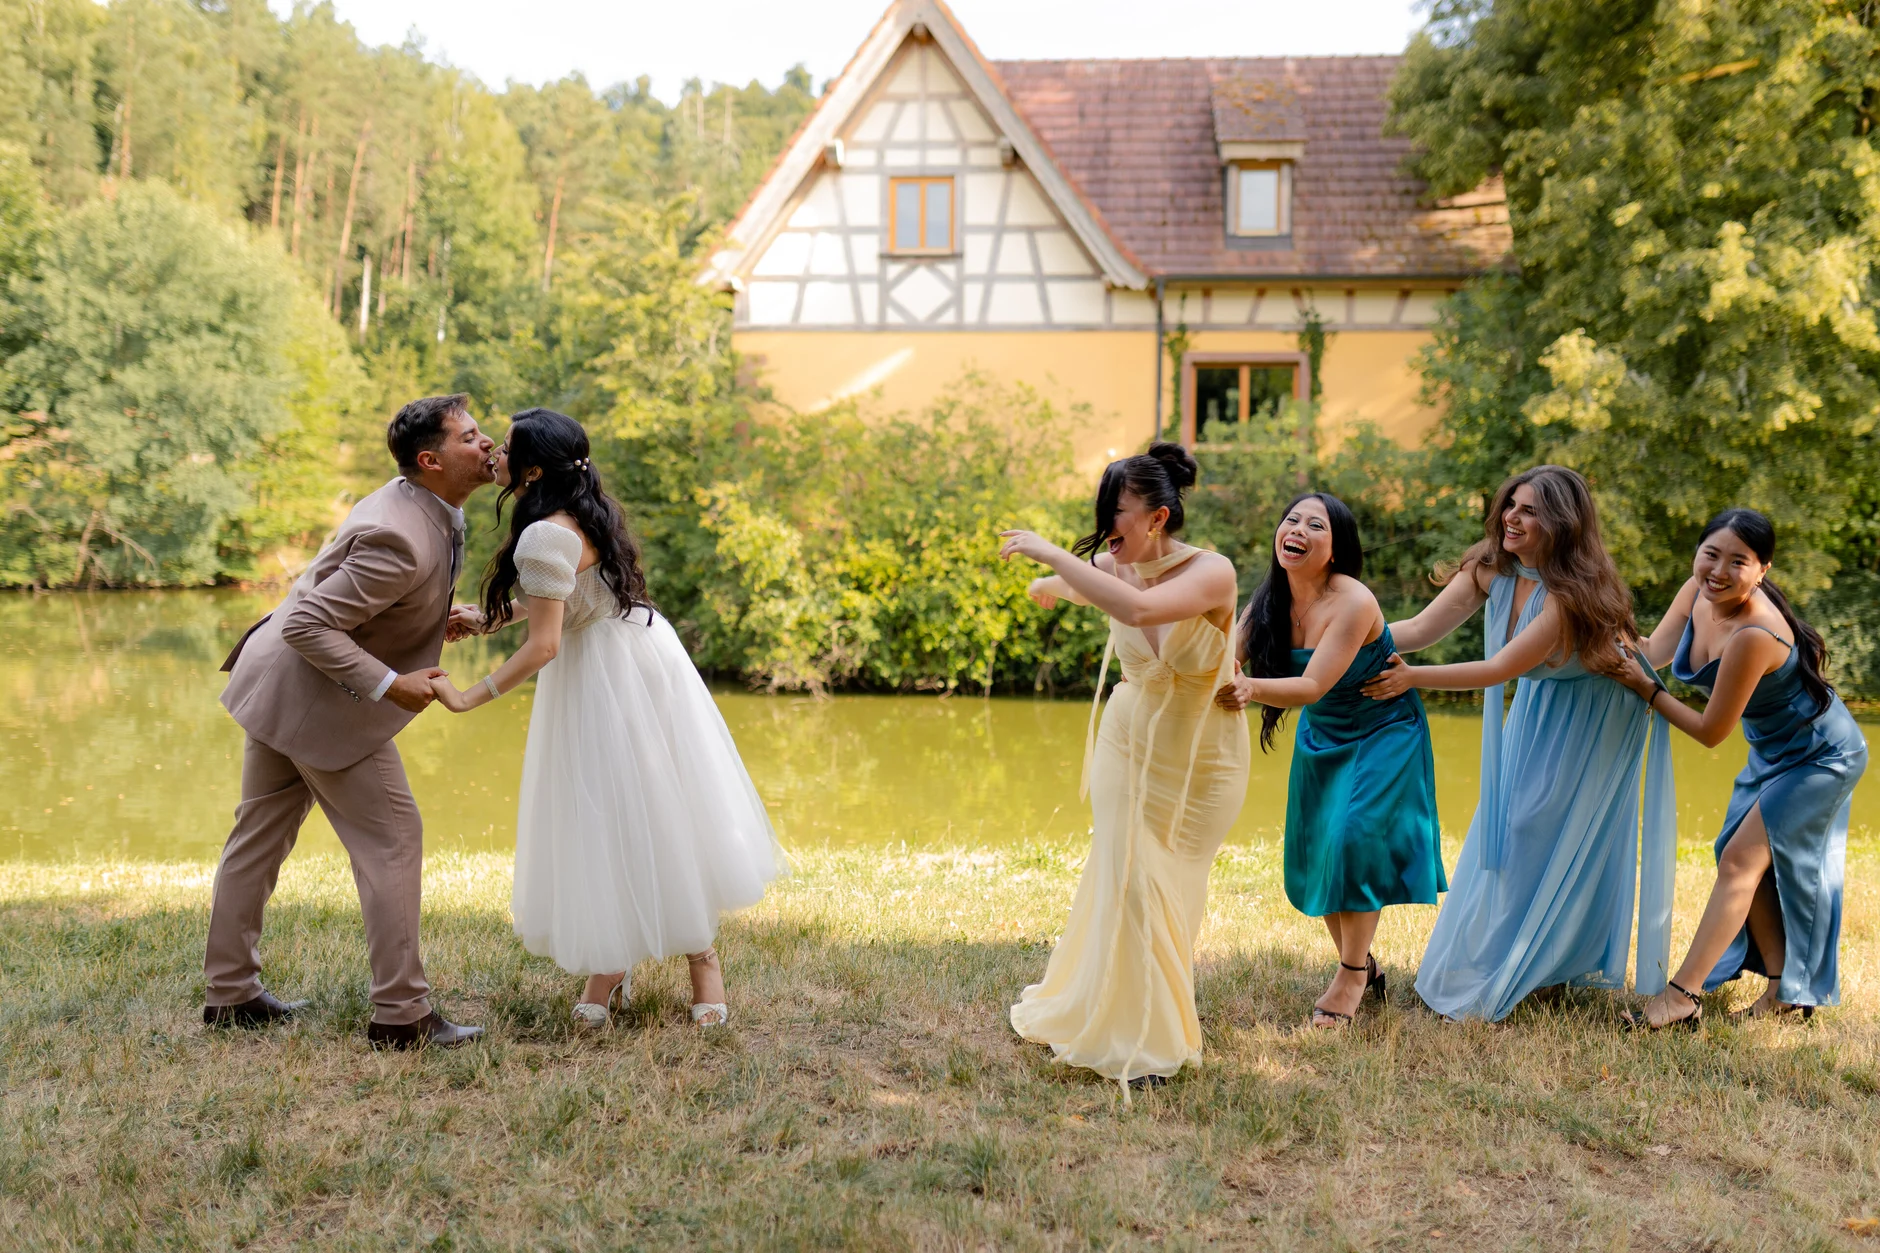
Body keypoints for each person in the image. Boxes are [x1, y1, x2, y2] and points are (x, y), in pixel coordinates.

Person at [429, 409, 784, 1029]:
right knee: (624, 809)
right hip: (641, 653)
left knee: (641, 806)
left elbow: (546, 644)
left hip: (608, 675)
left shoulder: (543, 532)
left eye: (506, 447)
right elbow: (572, 601)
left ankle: (702, 960)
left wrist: (468, 696)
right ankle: (610, 966)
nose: (493, 451)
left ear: (533, 469)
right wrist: (490, 618)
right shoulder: (583, 510)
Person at [205, 394, 495, 1049]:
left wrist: (433, 620)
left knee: (257, 837)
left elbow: (355, 597)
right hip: (317, 699)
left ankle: (229, 995)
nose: (487, 444)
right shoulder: (403, 531)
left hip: (277, 680)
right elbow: (313, 620)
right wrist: (391, 682)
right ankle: (402, 1014)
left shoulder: (414, 501)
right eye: (471, 436)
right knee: (393, 840)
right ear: (431, 459)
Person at [1361, 465, 1676, 1022]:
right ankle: (1533, 963)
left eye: (1530, 510)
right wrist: (1342, 636)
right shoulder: (1492, 567)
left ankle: (1542, 966)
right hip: (1540, 707)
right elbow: (1419, 629)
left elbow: (1499, 668)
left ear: (1562, 522)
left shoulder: (1570, 595)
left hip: (1595, 714)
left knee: (1541, 831)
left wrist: (1413, 678)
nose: (1512, 516)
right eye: (1511, 503)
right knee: (1510, 831)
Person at [999, 442, 1248, 1092]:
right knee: (1130, 874)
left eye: (1120, 513)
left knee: (1172, 883)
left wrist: (1054, 556)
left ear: (1160, 516)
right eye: (1104, 512)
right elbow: (1090, 588)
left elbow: (1136, 609)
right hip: (1126, 741)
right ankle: (1150, 1041)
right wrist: (1047, 585)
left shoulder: (1213, 573)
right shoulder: (1115, 565)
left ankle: (1147, 1003)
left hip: (1203, 754)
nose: (1109, 527)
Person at [1616, 509, 1868, 1029]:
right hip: (1773, 751)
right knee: (1736, 856)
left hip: (1822, 755)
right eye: (1711, 553)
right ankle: (1783, 992)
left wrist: (1649, 693)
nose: (1718, 570)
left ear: (1763, 570)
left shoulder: (1755, 634)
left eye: (1739, 561)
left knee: (1738, 861)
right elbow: (1652, 653)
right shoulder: (1696, 590)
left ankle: (1682, 995)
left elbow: (1710, 732)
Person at [1214, 492, 1444, 1028]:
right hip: (1324, 733)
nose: (1297, 529)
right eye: (1291, 518)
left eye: (1315, 525)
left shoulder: (1353, 601)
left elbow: (1314, 684)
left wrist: (1248, 690)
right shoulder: (1268, 600)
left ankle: (1350, 977)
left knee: (1355, 840)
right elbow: (1226, 657)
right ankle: (1366, 965)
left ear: (1336, 549)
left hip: (1382, 728)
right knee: (1320, 850)